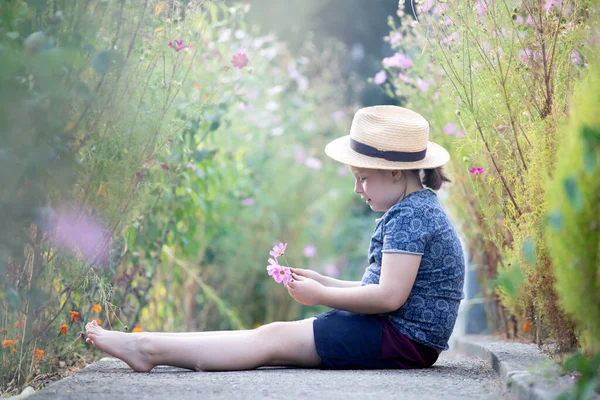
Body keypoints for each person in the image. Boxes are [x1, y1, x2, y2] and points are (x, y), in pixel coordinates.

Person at [85, 105, 465, 372]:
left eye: (363, 178)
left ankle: (146, 349)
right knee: (276, 337)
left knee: (272, 339)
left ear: (397, 173)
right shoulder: (418, 208)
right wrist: (323, 281)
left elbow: (388, 297)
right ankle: (149, 347)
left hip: (401, 340)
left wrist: (321, 296)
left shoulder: (410, 216)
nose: (356, 189)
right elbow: (387, 288)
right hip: (403, 336)